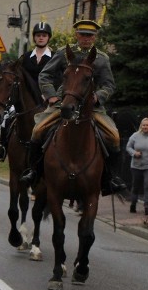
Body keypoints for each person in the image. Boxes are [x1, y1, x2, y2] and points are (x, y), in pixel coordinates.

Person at [19, 19, 127, 196]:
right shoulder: (64, 53)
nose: (86, 38)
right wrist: (52, 96)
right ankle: (34, 172)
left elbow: (109, 85)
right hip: (64, 102)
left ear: (95, 37)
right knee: (38, 130)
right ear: (77, 35)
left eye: (90, 36)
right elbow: (45, 75)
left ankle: (112, 178)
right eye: (83, 35)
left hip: (92, 107)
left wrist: (97, 97)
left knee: (114, 136)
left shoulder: (102, 58)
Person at [0, 22, 53, 161]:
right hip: (27, 97)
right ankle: (2, 147)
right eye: (38, 35)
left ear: (49, 38)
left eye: (44, 35)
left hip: (47, 98)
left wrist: (50, 94)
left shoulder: (55, 57)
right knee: (8, 116)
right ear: (34, 38)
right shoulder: (25, 57)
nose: (41, 38)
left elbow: (59, 78)